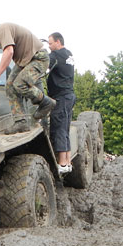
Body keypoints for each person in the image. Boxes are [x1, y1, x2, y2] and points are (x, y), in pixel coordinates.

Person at [0, 16, 55, 134]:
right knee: (10, 86)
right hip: (25, 61)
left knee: (20, 84)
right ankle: (21, 122)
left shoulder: (2, 29)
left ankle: (46, 102)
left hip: (38, 58)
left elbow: (9, 52)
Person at [47, 32, 76, 174]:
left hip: (61, 97)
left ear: (58, 42)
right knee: (65, 128)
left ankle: (62, 164)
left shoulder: (55, 55)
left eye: (50, 43)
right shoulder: (68, 54)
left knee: (58, 128)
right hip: (69, 96)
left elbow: (43, 65)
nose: (49, 46)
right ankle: (68, 162)